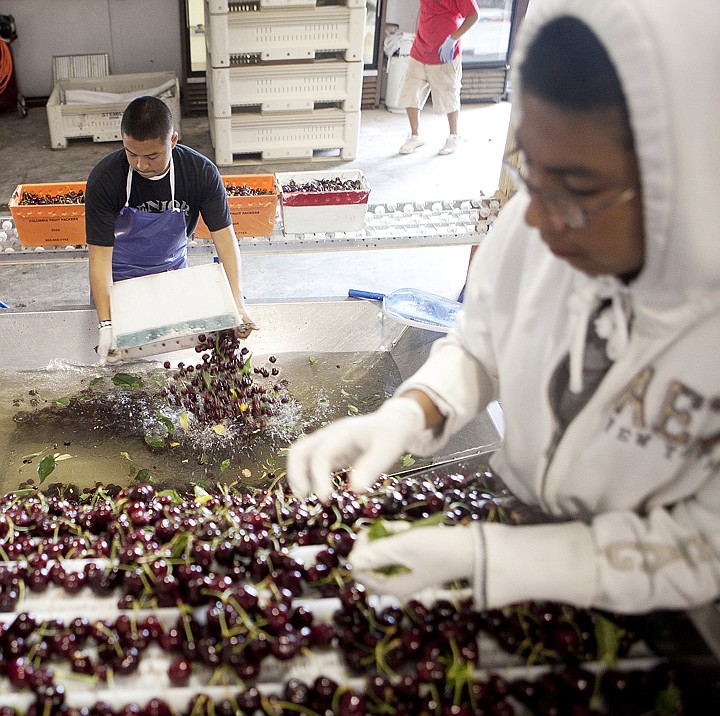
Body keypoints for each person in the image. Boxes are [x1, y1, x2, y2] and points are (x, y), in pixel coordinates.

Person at [287, 0, 720, 615]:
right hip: (514, 527)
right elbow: (481, 345)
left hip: (647, 607)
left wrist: (502, 561)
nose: (538, 219)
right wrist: (411, 413)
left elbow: (704, 546)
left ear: (692, 170)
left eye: (578, 189)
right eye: (532, 173)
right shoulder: (533, 224)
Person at [85, 95, 256, 365]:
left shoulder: (200, 173)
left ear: (173, 141)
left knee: (168, 367)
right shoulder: (105, 179)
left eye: (152, 155)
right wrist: (106, 324)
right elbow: (99, 258)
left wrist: (238, 304)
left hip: (171, 279)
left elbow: (225, 240)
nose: (141, 165)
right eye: (132, 154)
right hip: (118, 285)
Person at [397, 0, 479, 156]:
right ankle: (415, 135)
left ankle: (453, 136)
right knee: (409, 90)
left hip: (445, 51)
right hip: (421, 47)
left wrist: (453, 39)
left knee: (449, 94)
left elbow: (474, 15)